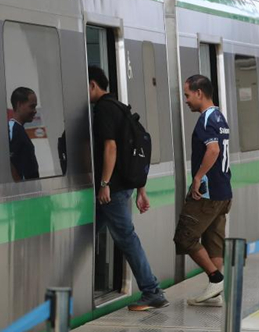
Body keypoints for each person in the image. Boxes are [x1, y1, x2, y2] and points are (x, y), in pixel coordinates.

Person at [89, 66, 168, 311]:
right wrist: (141, 190)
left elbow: (111, 148)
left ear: (92, 85)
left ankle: (151, 290)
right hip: (124, 186)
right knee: (89, 231)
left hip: (112, 189)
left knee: (127, 237)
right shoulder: (121, 107)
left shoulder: (103, 109)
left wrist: (104, 184)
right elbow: (134, 151)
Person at [174, 74, 232, 307]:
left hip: (206, 194)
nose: (186, 100)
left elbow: (213, 150)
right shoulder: (220, 117)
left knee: (184, 238)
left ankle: (215, 278)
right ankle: (215, 292)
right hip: (223, 191)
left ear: (199, 93)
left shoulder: (206, 120)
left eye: (187, 95)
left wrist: (197, 178)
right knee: (213, 242)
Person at [8, 87, 40, 181]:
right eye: (32, 106)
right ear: (19, 105)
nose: (35, 111)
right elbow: (8, 162)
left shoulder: (19, 129)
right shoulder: (12, 129)